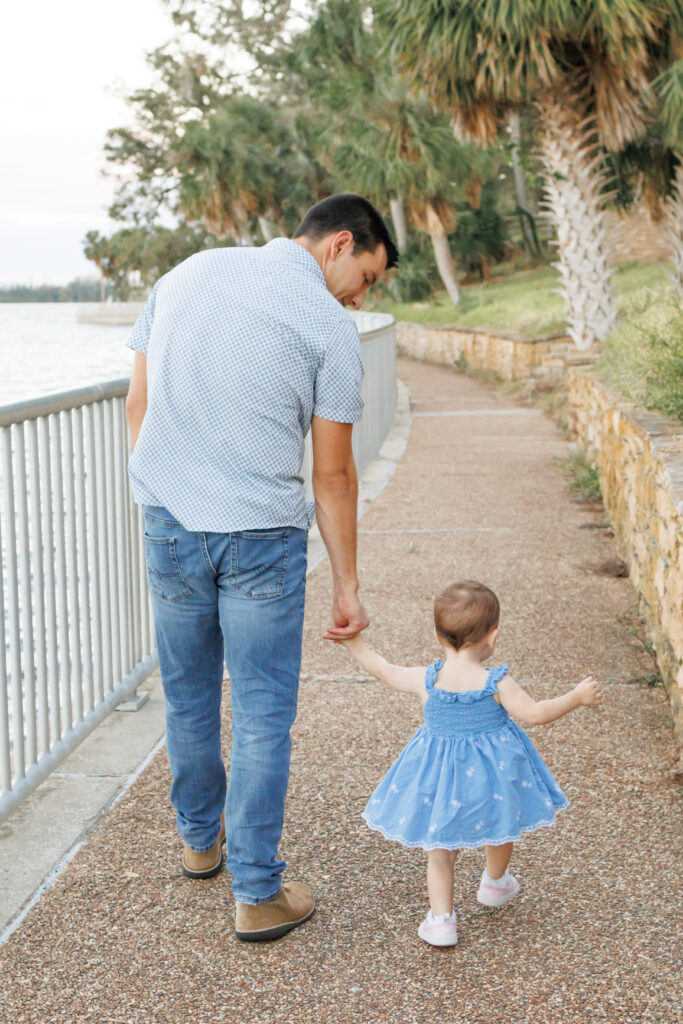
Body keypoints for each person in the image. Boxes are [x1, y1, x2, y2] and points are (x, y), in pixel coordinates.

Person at [124, 194, 398, 942]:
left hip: (171, 525)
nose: (361, 295)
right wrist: (346, 583)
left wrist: (165, 493)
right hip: (261, 537)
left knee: (186, 696)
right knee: (262, 715)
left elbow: (138, 406)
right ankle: (257, 892)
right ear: (340, 243)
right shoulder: (327, 329)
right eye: (367, 276)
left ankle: (198, 843)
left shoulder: (183, 274)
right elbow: (333, 476)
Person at [340, 580, 602, 948]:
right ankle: (494, 883)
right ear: (492, 637)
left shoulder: (427, 680)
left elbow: (384, 669)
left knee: (441, 851)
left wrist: (354, 643)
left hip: (440, 782)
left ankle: (443, 920)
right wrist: (576, 697)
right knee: (502, 825)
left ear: (437, 637)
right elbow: (536, 714)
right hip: (493, 779)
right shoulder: (496, 682)